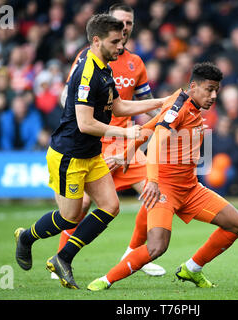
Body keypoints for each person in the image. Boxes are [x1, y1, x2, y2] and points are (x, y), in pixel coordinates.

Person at [13, 14, 165, 289]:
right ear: (96, 40)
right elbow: (85, 123)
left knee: (110, 206)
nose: (121, 46)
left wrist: (163, 101)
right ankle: (27, 237)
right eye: (115, 41)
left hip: (90, 153)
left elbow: (119, 108)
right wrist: (125, 133)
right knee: (70, 215)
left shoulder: (105, 67)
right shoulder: (87, 72)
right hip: (69, 155)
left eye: (122, 40)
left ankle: (63, 258)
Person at [87, 62, 238, 291]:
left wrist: (127, 152)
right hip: (164, 189)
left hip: (191, 189)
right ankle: (106, 280)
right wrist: (152, 181)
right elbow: (155, 143)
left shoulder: (188, 105)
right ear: (193, 86)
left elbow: (149, 126)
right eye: (209, 89)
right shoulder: (178, 107)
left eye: (216, 91)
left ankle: (191, 269)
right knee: (157, 247)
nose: (213, 96)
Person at [53, 4, 166, 279]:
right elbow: (69, 96)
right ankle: (61, 257)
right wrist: (74, 115)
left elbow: (139, 102)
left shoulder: (135, 62)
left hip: (125, 142)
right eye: (120, 22)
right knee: (80, 207)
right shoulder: (87, 58)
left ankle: (134, 253)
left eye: (129, 22)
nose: (125, 27)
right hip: (95, 141)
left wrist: (168, 118)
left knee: (156, 193)